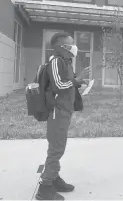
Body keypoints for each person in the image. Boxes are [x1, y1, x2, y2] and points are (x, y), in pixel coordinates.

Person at [36, 32, 90, 200]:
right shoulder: (55, 61)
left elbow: (66, 83)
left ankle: (54, 178)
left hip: (64, 111)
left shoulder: (65, 61)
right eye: (70, 44)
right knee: (56, 149)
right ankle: (45, 188)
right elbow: (59, 85)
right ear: (61, 47)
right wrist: (76, 79)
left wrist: (79, 81)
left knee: (57, 147)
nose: (74, 47)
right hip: (56, 112)